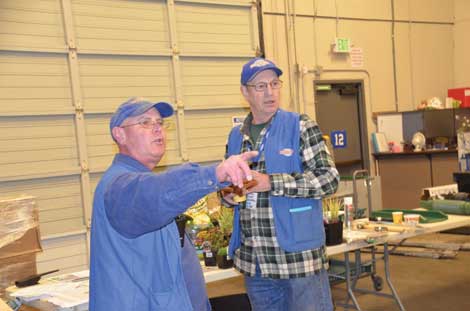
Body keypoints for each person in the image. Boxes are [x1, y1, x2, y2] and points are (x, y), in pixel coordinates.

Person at [89, 97, 257, 311]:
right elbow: (155, 192)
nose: (157, 129)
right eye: (145, 123)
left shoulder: (138, 179)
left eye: (160, 123)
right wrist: (214, 174)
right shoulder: (120, 187)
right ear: (119, 134)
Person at [222, 58, 340, 311]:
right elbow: (226, 184)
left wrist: (271, 182)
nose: (270, 92)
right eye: (261, 86)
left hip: (298, 259)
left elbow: (329, 179)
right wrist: (229, 195)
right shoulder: (235, 137)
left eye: (275, 84)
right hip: (257, 263)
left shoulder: (300, 126)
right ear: (245, 92)